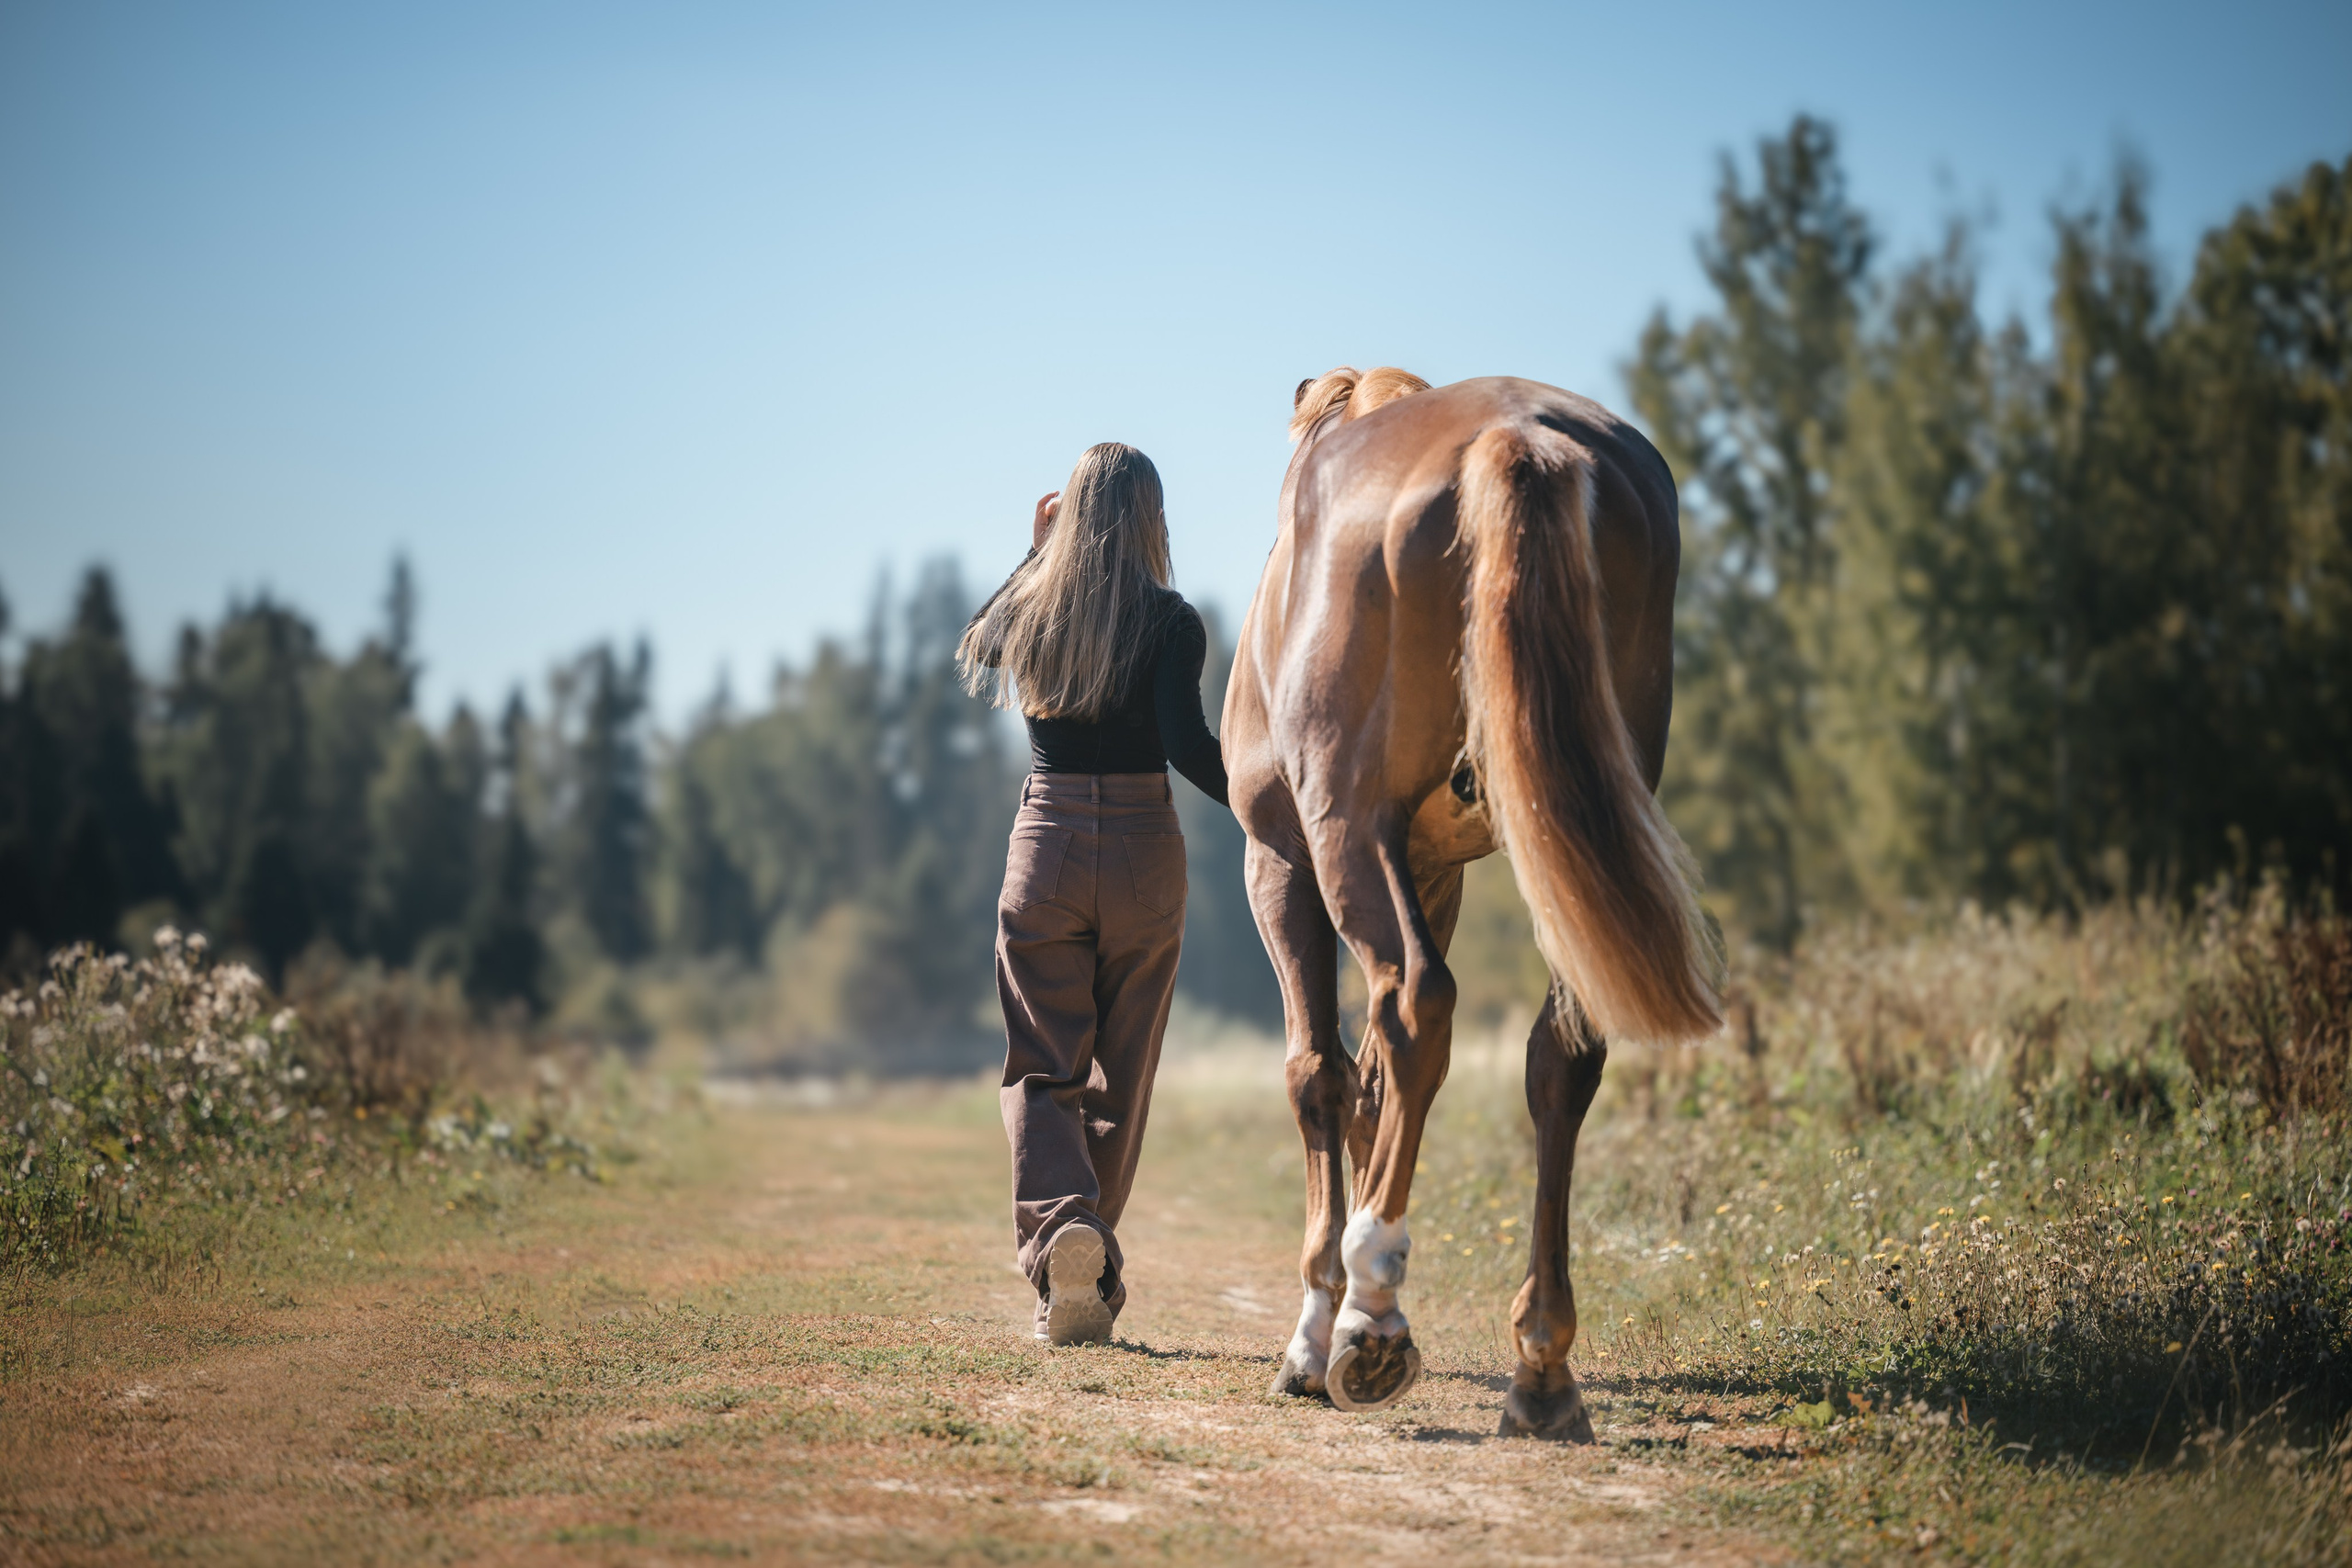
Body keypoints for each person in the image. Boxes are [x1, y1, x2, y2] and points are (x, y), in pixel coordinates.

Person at [957, 442, 1229, 1346]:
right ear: (1153, 518)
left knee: (1042, 1066)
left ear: (1068, 514)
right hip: (1147, 853)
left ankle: (1062, 1248)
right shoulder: (1172, 621)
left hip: (1050, 846)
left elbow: (982, 643)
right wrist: (1282, 811)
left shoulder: (1035, 608)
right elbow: (1190, 748)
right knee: (1123, 1074)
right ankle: (1085, 1265)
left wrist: (1034, 554)